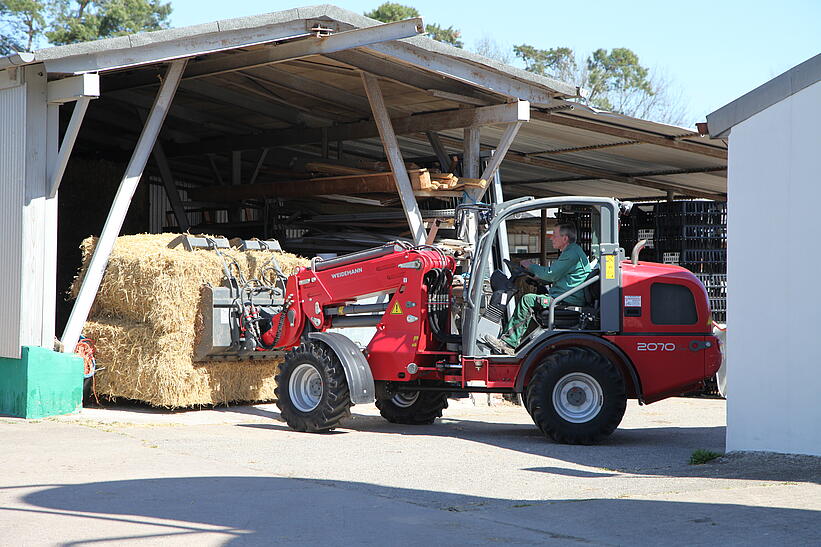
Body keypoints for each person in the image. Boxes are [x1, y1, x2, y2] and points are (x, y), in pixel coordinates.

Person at [483, 223, 591, 355]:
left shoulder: (572, 253)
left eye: (554, 236)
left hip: (566, 301)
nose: (551, 239)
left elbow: (551, 274)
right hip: (564, 296)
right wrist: (536, 278)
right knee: (535, 296)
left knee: (527, 300)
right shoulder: (571, 252)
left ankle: (508, 343)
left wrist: (531, 266)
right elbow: (557, 276)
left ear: (565, 238)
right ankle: (518, 341)